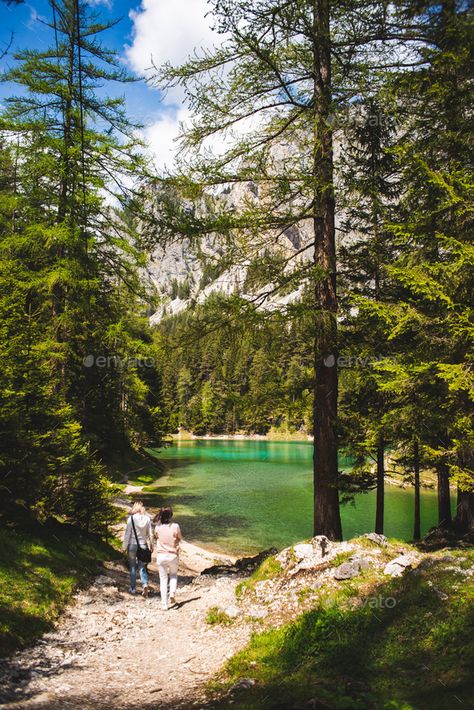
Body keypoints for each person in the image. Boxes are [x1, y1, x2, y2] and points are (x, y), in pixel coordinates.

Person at [122, 501, 154, 597]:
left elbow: (127, 534)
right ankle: (144, 584)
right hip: (143, 545)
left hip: (132, 545)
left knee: (132, 567)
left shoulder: (130, 519)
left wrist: (124, 547)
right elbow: (150, 534)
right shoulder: (147, 519)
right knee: (142, 567)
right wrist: (152, 545)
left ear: (135, 509)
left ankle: (133, 588)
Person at [154, 506, 182, 610]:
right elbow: (180, 537)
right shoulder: (175, 526)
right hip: (173, 555)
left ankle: (164, 604)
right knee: (173, 575)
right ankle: (172, 593)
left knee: (163, 579)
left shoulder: (157, 527)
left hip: (161, 556)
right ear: (170, 516)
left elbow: (156, 537)